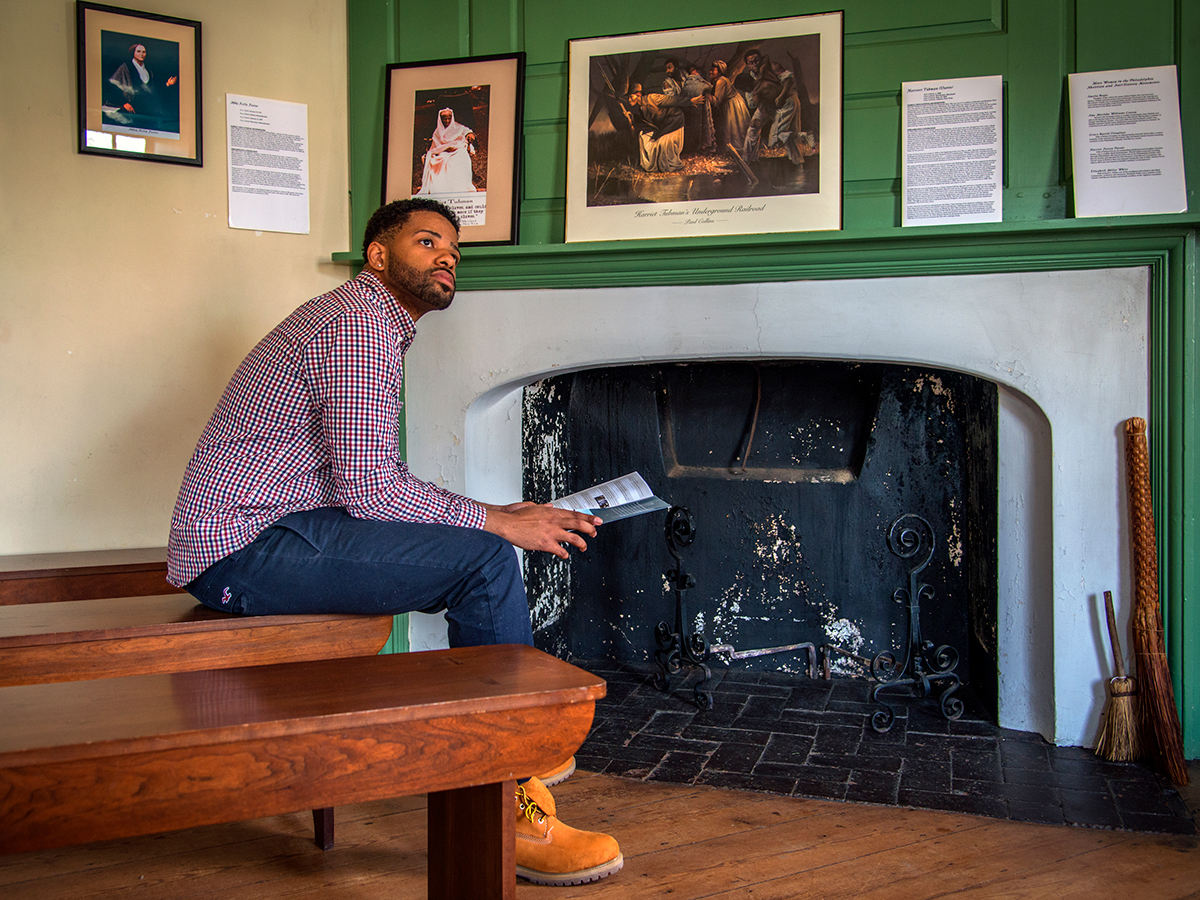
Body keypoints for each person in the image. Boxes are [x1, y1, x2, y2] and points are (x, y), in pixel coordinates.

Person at [167, 197, 623, 887]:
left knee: (479, 546)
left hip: (281, 524)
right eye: (427, 241)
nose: (447, 256)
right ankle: (509, 795)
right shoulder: (358, 325)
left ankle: (510, 757)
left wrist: (492, 509)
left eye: (455, 249)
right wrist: (499, 523)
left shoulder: (368, 323)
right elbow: (372, 492)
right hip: (242, 546)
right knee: (485, 559)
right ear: (379, 255)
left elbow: (371, 482)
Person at [103, 43, 179, 132]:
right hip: (133, 109)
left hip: (148, 110)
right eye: (138, 51)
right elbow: (112, 86)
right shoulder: (125, 68)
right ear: (133, 53)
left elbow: (152, 90)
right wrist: (123, 103)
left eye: (144, 52)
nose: (141, 54)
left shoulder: (148, 70)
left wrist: (167, 84)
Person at [733, 49, 782, 163]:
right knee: (753, 128)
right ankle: (749, 159)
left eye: (756, 61)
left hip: (779, 102)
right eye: (751, 63)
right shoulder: (748, 80)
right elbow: (751, 103)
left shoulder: (769, 70)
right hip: (763, 105)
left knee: (784, 130)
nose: (754, 65)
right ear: (747, 65)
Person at [416, 108, 477, 195]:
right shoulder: (437, 132)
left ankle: (458, 185)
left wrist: (470, 135)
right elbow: (435, 148)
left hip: (456, 150)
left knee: (461, 156)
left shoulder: (457, 127)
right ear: (441, 119)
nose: (447, 120)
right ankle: (443, 186)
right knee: (441, 160)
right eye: (445, 118)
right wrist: (445, 149)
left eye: (449, 118)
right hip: (442, 153)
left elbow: (468, 131)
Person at [707, 60, 750, 154]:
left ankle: (736, 151)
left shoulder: (721, 81)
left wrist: (706, 95)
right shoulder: (717, 81)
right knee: (731, 129)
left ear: (719, 72)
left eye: (713, 70)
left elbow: (716, 101)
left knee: (733, 128)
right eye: (710, 69)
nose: (710, 72)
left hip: (733, 105)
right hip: (732, 103)